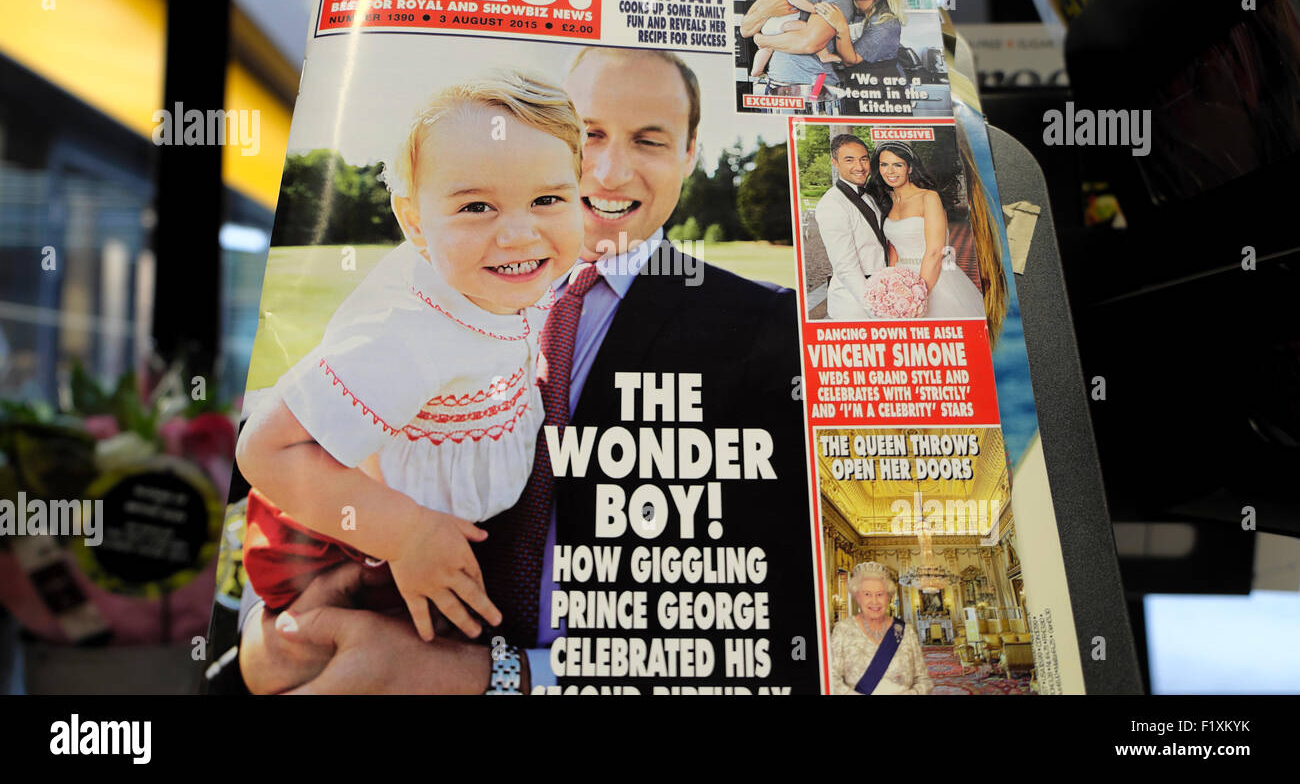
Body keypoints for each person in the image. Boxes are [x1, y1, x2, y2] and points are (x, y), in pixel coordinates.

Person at [236, 48, 817, 694]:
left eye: (649, 140)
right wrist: (280, 627)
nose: (609, 167)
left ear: (690, 151)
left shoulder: (769, 332)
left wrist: (502, 679)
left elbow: (793, 630)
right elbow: (296, 467)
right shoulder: (447, 295)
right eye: (589, 133)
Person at [235, 71, 584, 644]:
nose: (520, 233)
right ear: (415, 222)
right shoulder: (406, 333)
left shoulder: (509, 282)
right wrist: (404, 534)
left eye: (548, 199)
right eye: (477, 207)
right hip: (349, 543)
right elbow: (266, 448)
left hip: (432, 524)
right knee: (384, 658)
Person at [869, 142, 986, 320]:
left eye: (897, 165)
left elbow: (934, 252)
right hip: (901, 281)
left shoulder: (929, 197)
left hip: (933, 276)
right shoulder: (888, 200)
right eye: (884, 164)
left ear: (909, 168)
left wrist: (917, 296)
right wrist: (890, 286)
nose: (890, 171)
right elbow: (893, 248)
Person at [814, 134, 889, 321]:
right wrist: (877, 311)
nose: (860, 167)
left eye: (864, 159)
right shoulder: (832, 203)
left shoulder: (869, 195)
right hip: (855, 307)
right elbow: (846, 268)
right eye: (849, 160)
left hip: (883, 291)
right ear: (835, 163)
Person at [830, 562, 932, 694]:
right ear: (857, 597)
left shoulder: (905, 631)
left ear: (888, 597)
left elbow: (924, 680)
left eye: (880, 594)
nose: (874, 601)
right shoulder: (842, 630)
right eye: (867, 594)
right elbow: (831, 680)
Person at [814, 0, 906, 82]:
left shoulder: (886, 22)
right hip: (854, 83)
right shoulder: (852, 9)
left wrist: (841, 26)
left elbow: (851, 61)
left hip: (882, 87)